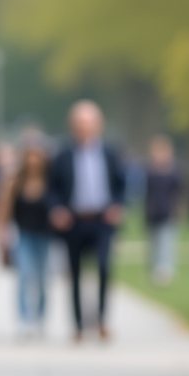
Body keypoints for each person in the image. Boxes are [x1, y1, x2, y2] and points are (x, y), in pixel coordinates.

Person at [46, 100, 126, 341]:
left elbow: (121, 184)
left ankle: (101, 319)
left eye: (90, 122)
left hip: (103, 220)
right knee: (75, 273)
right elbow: (53, 189)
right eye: (81, 122)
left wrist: (118, 206)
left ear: (98, 125)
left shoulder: (110, 152)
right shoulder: (63, 154)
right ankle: (79, 325)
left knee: (103, 267)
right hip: (74, 221)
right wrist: (57, 209)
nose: (85, 127)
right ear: (73, 125)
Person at [0, 129, 53, 338]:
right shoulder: (14, 180)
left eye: (38, 155)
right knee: (25, 275)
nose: (34, 160)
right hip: (23, 235)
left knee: (44, 278)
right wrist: (1, 235)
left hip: (45, 236)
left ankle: (41, 317)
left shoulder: (49, 181)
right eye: (30, 155)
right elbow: (4, 210)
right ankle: (24, 319)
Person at [142, 135, 182, 286]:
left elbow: (179, 192)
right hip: (153, 213)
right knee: (154, 244)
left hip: (168, 212)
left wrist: (177, 210)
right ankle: (154, 270)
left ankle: (166, 272)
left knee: (167, 243)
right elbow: (146, 194)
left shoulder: (174, 171)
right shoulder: (150, 172)